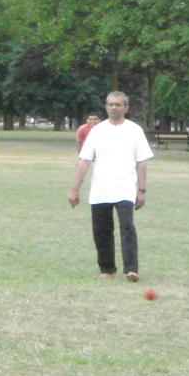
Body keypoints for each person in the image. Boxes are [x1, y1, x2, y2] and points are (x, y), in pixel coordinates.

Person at [68, 91, 153, 282]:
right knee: (101, 230)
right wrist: (75, 189)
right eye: (111, 104)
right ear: (106, 107)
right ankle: (107, 269)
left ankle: (131, 269)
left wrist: (141, 190)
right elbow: (84, 161)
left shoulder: (134, 130)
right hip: (101, 189)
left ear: (126, 108)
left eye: (118, 104)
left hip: (125, 187)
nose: (114, 107)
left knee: (127, 227)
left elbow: (142, 163)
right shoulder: (97, 131)